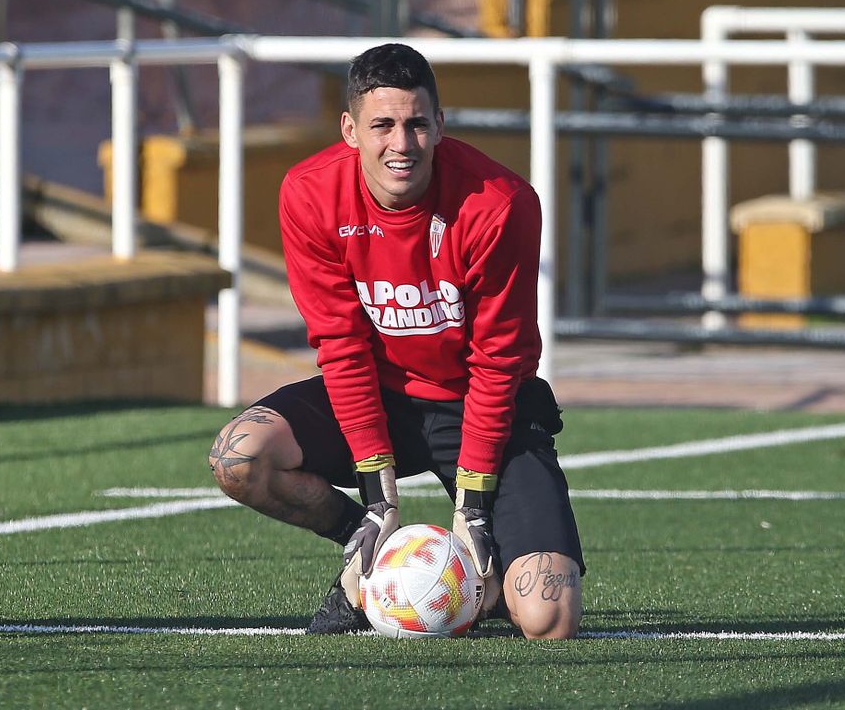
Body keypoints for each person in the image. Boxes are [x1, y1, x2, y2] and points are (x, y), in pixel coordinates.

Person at [208, 42, 583, 637]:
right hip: (378, 396)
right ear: (350, 130)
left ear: (441, 125)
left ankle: (469, 583)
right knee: (239, 457)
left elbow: (498, 358)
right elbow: (341, 345)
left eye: (417, 124)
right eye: (382, 125)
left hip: (481, 402)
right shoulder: (309, 194)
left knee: (549, 618)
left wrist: (474, 508)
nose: (401, 145)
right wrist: (378, 501)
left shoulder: (501, 204)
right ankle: (376, 552)